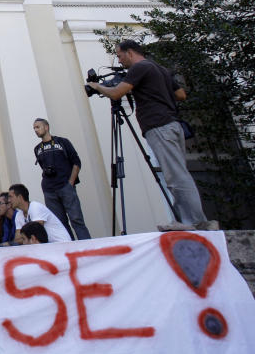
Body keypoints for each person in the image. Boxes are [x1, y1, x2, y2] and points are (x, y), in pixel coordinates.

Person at [87, 39, 215, 231]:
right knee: (176, 172)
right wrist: (156, 93)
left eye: (120, 56)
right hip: (173, 125)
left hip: (159, 126)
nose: (120, 61)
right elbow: (181, 95)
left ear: (130, 53)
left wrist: (96, 86)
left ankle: (195, 222)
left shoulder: (139, 68)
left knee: (176, 175)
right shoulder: (160, 69)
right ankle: (185, 220)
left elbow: (116, 93)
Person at [32, 118, 91, 240]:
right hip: (49, 190)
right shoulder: (37, 149)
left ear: (46, 127)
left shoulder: (63, 142)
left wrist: (70, 183)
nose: (36, 130)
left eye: (38, 127)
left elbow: (76, 162)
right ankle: (69, 250)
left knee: (77, 220)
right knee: (60, 224)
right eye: (34, 128)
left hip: (65, 186)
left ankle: (87, 247)